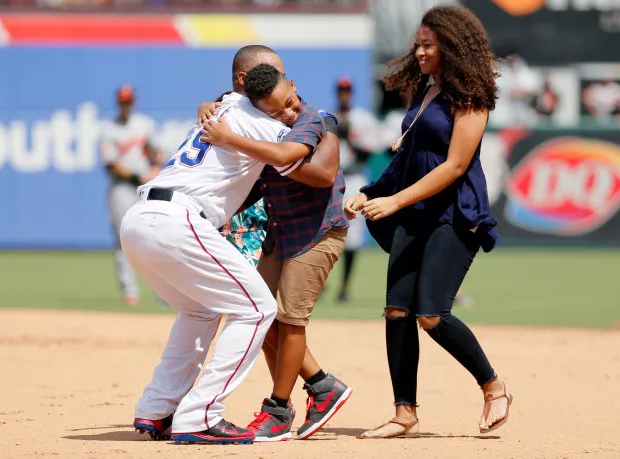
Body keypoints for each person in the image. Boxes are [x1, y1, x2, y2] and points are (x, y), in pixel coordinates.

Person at [125, 86, 331, 445]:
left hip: (141, 217)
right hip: (181, 219)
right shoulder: (257, 120)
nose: (285, 104)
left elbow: (221, 106)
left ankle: (156, 409)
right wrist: (326, 123)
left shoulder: (221, 108)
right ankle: (201, 415)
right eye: (279, 95)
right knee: (257, 309)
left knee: (201, 310)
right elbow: (310, 163)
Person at [344, 5, 513, 438]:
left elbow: (454, 166)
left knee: (431, 314)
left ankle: (493, 386)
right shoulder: (425, 92)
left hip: (454, 215)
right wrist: (371, 192)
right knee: (396, 311)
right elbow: (408, 159)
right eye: (417, 45)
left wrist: (395, 201)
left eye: (427, 45)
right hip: (413, 212)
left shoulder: (471, 96)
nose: (418, 52)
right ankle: (405, 414)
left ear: (451, 47)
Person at [202, 62, 351, 442]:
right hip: (280, 231)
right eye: (276, 110)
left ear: (294, 86)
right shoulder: (257, 122)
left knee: (290, 320)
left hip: (317, 231)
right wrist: (206, 108)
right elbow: (222, 108)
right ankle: (322, 386)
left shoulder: (313, 119)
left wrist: (228, 138)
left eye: (289, 101)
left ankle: (278, 410)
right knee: (259, 315)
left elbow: (304, 165)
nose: (288, 111)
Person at [100, 86, 162, 306]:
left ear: (133, 103)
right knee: (123, 239)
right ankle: (130, 290)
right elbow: (111, 165)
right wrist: (139, 176)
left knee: (155, 238)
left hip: (145, 188)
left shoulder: (144, 124)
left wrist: (155, 167)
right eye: (122, 102)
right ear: (118, 104)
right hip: (122, 188)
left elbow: (157, 151)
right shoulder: (109, 129)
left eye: (128, 102)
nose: (125, 105)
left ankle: (162, 292)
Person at [333, 76, 380, 303]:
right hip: (331, 178)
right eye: (341, 90)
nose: (344, 94)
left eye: (347, 90)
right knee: (321, 233)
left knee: (352, 238)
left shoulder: (362, 119)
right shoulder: (328, 117)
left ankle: (345, 287)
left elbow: (368, 154)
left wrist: (348, 137)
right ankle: (320, 284)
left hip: (354, 178)